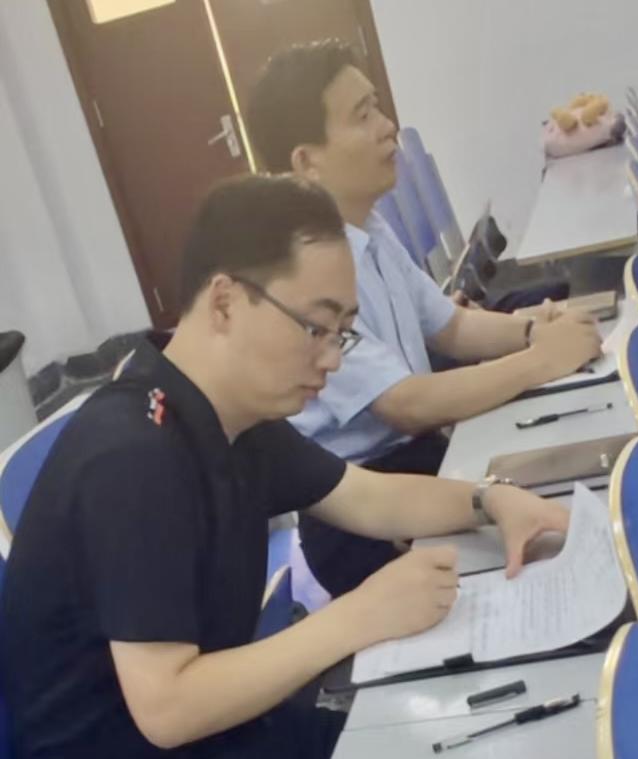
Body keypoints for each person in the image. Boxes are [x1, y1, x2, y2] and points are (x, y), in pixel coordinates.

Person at [0, 175, 571, 759]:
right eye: (315, 328)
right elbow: (167, 709)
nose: (331, 359)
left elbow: (368, 498)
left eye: (342, 334)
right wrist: (360, 616)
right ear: (224, 302)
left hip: (230, 730)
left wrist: (489, 499)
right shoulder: (133, 458)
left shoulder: (232, 416)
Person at [246, 40, 603, 596]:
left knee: (572, 496)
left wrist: (535, 330)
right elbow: (407, 404)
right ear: (306, 161)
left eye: (378, 108)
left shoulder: (370, 226)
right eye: (363, 116)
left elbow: (452, 327)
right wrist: (541, 361)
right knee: (556, 549)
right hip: (362, 510)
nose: (388, 127)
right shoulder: (300, 276)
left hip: (421, 460)